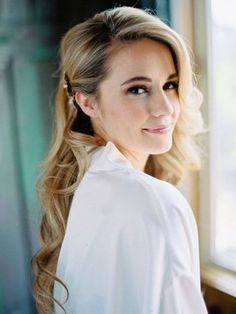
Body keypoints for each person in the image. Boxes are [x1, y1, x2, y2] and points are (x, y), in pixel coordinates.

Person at [31, 6, 208, 314]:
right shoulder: (155, 202)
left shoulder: (85, 182)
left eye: (169, 84)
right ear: (88, 102)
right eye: (137, 89)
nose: (165, 107)